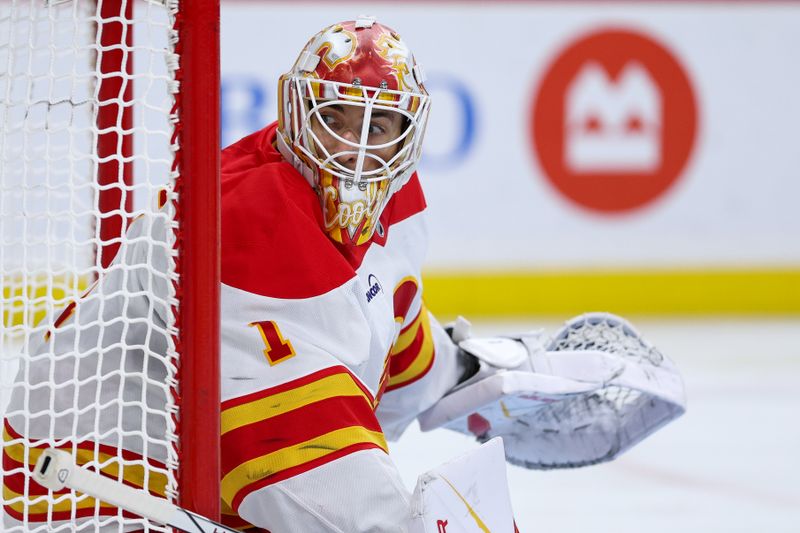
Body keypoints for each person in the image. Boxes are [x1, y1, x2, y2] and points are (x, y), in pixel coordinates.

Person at [3, 17, 685, 532]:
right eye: (335, 117)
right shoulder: (243, 225)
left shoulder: (398, 200)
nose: (358, 148)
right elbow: (315, 487)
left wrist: (475, 381)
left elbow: (385, 331)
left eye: (380, 124)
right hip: (74, 493)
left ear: (407, 133)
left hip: (163, 474)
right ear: (298, 112)